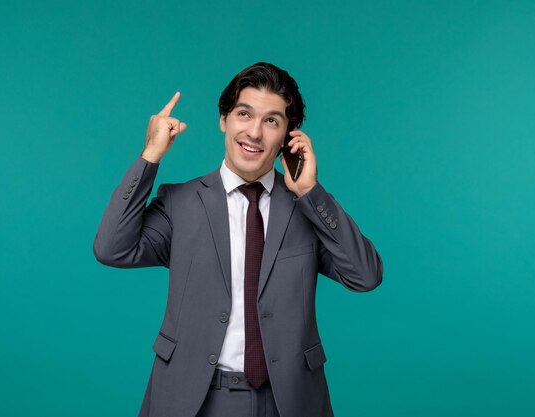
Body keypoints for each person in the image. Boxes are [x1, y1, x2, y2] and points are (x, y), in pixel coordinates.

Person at [93, 62, 383, 417]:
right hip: (193, 399)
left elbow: (365, 276)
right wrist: (150, 156)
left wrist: (310, 192)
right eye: (244, 114)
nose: (255, 133)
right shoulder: (180, 203)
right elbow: (111, 248)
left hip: (289, 400)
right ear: (224, 120)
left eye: (272, 121)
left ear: (289, 136)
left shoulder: (304, 209)